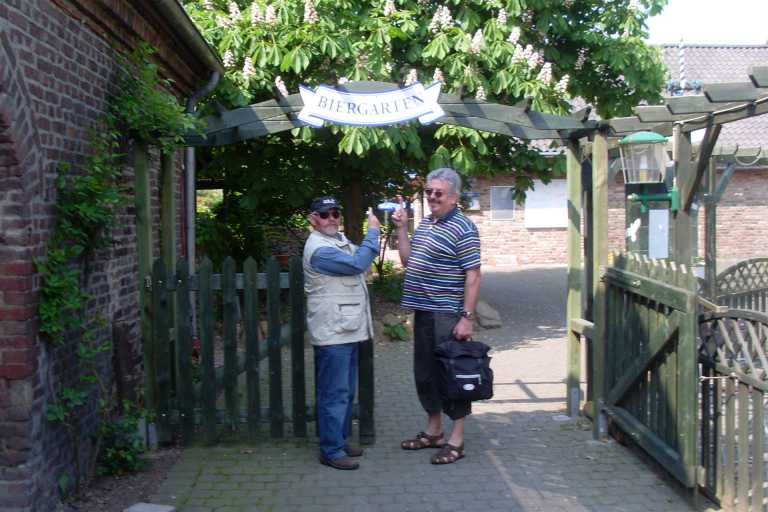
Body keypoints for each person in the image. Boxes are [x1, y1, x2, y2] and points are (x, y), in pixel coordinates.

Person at [392, 167, 481, 465]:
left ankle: (457, 440)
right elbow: (407, 260)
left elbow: (473, 275)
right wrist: (401, 229)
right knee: (426, 374)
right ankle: (434, 432)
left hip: (447, 314)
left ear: (454, 197)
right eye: (428, 192)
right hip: (424, 311)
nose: (431, 197)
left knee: (452, 375)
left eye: (438, 193)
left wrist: (466, 317)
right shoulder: (426, 224)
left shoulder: (464, 228)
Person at [302, 196, 381, 470]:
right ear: (313, 219)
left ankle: (339, 440)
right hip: (332, 332)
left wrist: (365, 251)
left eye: (335, 213)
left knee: (345, 392)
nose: (332, 218)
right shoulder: (320, 250)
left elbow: (363, 258)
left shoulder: (338, 242)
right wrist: (373, 231)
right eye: (325, 214)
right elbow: (359, 263)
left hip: (345, 329)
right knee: (334, 394)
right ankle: (331, 451)